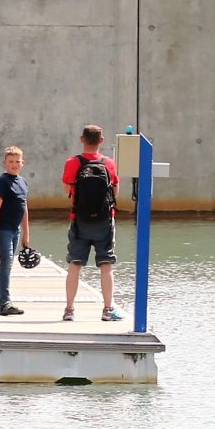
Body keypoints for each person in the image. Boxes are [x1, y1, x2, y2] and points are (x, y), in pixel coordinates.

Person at [62, 123, 123, 324]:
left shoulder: (73, 163)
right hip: (105, 221)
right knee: (106, 265)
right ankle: (107, 309)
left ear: (82, 139)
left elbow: (67, 191)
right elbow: (115, 192)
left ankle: (69, 310)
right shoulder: (109, 163)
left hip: (79, 221)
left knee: (75, 264)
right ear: (101, 141)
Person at [0, 145, 30, 316]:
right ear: (4, 163)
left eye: (17, 161)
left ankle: (0, 304)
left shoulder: (23, 182)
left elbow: (24, 208)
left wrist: (26, 233)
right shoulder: (1, 182)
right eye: (11, 161)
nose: (14, 164)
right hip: (3, 229)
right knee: (6, 263)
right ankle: (5, 302)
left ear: (22, 163)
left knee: (7, 264)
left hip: (15, 230)